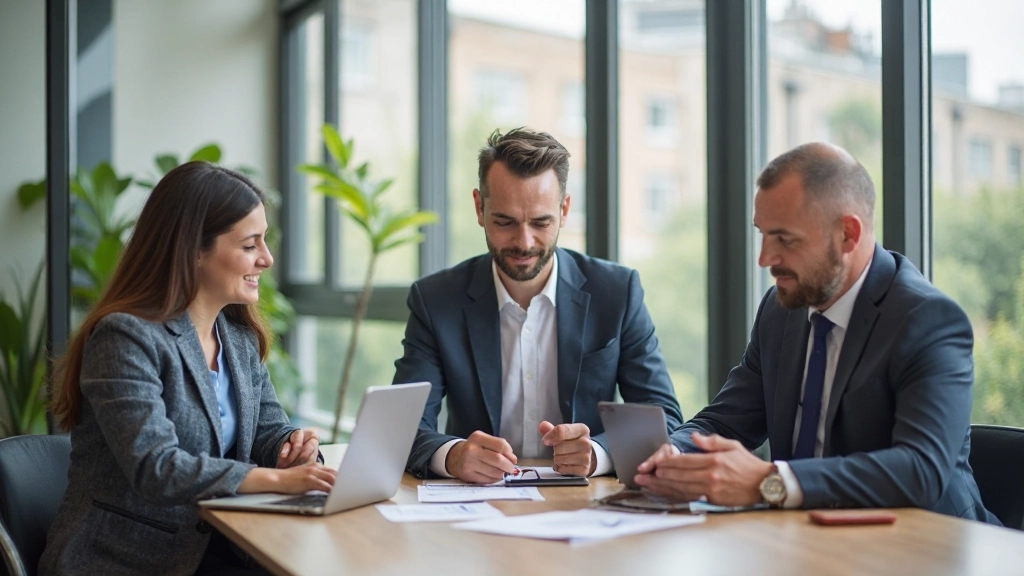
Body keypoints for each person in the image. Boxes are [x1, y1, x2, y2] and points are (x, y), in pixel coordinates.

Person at [634, 142, 999, 524]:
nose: (765, 259)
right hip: (810, 537)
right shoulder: (781, 310)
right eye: (763, 235)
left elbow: (920, 470)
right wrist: (674, 455)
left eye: (785, 239)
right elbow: (724, 423)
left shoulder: (928, 320)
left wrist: (769, 482)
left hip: (928, 542)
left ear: (848, 234)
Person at [39, 162, 339, 576]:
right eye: (250, 245)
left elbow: (268, 430)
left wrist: (292, 448)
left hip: (220, 547)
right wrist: (277, 481)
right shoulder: (125, 337)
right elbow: (156, 468)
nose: (267, 259)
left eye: (264, 241)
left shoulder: (238, 338)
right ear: (194, 249)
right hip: (124, 560)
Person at [394, 127, 683, 483]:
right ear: (480, 207)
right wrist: (452, 456)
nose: (524, 242)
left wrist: (599, 452)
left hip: (586, 500)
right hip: (477, 501)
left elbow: (665, 419)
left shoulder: (617, 292)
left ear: (564, 210)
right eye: (505, 222)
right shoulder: (436, 300)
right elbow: (403, 427)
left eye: (541, 222)